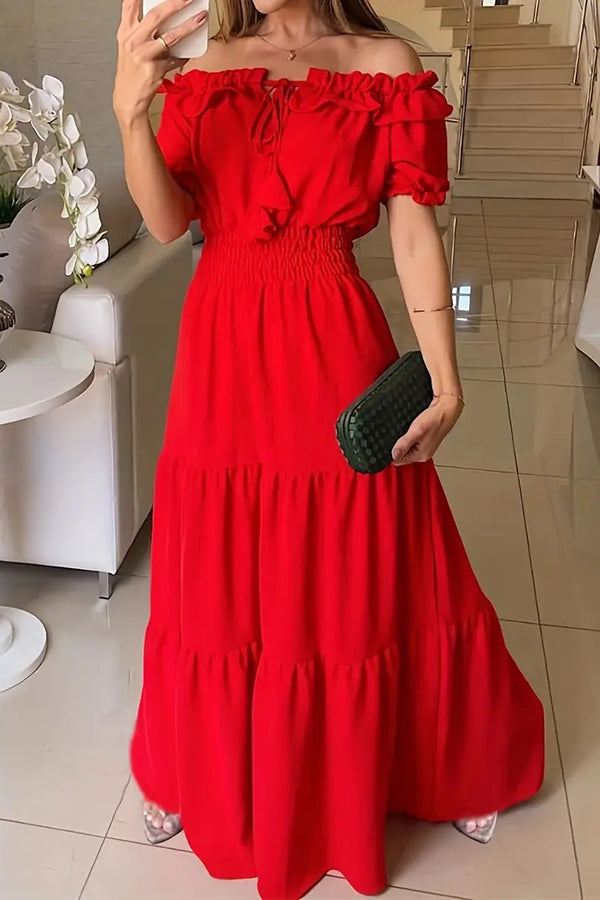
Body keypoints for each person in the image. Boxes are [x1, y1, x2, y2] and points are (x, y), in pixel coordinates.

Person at [113, 0, 545, 897]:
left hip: (330, 338)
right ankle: (204, 767)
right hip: (221, 348)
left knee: (364, 559)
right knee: (219, 562)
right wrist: (130, 114)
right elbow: (167, 221)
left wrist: (445, 378)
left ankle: (447, 761)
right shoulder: (207, 61)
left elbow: (413, 230)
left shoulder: (384, 64)